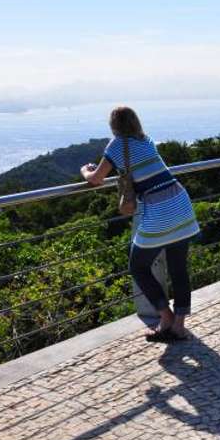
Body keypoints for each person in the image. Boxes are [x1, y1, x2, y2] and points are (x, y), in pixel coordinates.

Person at [81, 106, 200, 342]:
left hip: (158, 210)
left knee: (138, 266)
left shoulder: (116, 145)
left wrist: (86, 171)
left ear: (114, 125)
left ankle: (164, 317)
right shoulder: (146, 140)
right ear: (136, 122)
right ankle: (178, 326)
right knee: (178, 269)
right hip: (180, 202)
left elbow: (96, 180)